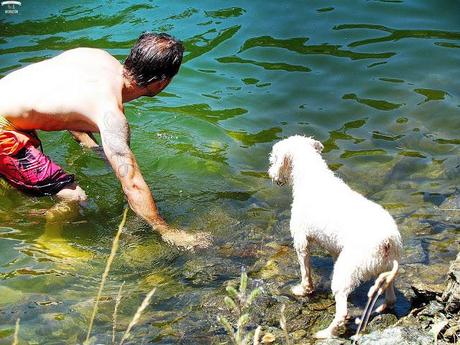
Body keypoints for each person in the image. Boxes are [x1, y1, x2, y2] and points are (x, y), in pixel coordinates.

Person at [0, 32, 210, 250]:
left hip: (7, 107)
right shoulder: (111, 114)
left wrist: (93, 148)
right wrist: (166, 231)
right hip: (2, 129)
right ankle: (49, 242)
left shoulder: (95, 57)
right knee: (74, 197)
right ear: (161, 83)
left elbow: (67, 109)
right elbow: (132, 184)